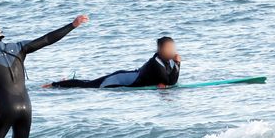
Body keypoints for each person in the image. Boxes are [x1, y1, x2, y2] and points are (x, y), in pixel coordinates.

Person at [46, 36, 181, 89]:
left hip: (126, 78)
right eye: (169, 48)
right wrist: (178, 65)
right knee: (87, 85)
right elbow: (170, 81)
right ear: (161, 50)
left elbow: (170, 80)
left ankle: (65, 82)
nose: (172, 50)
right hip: (119, 79)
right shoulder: (156, 62)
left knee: (89, 82)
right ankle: (55, 85)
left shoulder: (167, 62)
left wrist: (176, 65)